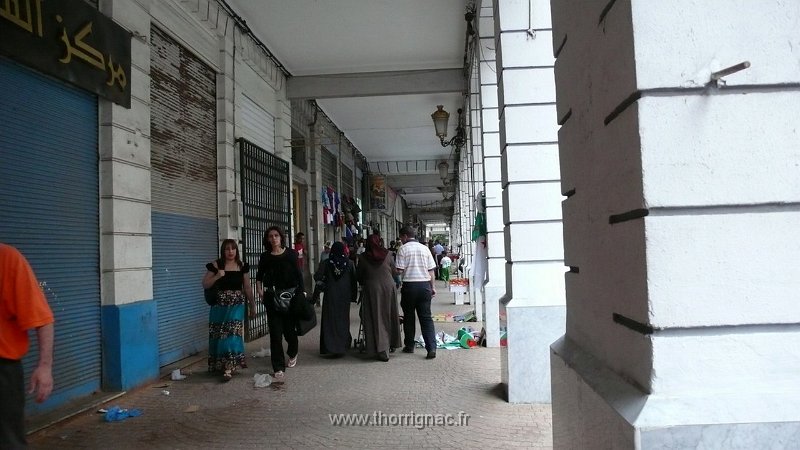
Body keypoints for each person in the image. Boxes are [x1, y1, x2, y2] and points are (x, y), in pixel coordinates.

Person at [0, 244, 55, 448]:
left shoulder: (7, 259)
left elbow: (42, 319)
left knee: (8, 442)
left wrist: (44, 366)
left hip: (3, 373)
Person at [256, 227, 306, 383]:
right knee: (275, 333)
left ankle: (292, 352)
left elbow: (299, 274)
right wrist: (260, 291)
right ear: (267, 239)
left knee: (289, 331)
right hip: (272, 297)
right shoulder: (265, 257)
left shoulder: (291, 254)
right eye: (270, 236)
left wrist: (302, 293)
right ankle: (278, 367)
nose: (274, 238)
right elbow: (259, 276)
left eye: (276, 235)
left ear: (281, 238)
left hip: (290, 297)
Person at [202, 239, 255, 382]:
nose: (230, 252)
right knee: (219, 335)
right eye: (227, 249)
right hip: (219, 307)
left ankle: (228, 367)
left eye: (233, 249)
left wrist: (252, 304)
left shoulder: (242, 266)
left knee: (231, 334)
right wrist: (217, 276)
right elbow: (205, 284)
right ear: (223, 251)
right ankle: (219, 364)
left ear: (237, 250)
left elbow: (247, 287)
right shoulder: (216, 265)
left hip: (237, 305)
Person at [356, 234, 402, 362]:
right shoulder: (388, 254)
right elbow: (394, 272)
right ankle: (389, 344)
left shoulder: (364, 257)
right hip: (388, 288)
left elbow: (359, 275)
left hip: (372, 289)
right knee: (389, 315)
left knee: (374, 317)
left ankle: (378, 348)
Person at [395, 226, 438, 360]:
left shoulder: (402, 249)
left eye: (401, 237)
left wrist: (392, 270)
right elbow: (431, 271)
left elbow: (399, 270)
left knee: (409, 317)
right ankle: (431, 348)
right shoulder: (425, 249)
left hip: (409, 287)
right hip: (425, 286)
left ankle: (409, 345)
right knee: (426, 318)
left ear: (405, 236)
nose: (400, 240)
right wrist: (433, 287)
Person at [314, 242, 357, 357]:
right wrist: (353, 297)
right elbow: (354, 281)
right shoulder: (349, 263)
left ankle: (330, 346)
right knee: (343, 320)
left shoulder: (327, 263)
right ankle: (342, 345)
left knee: (330, 320)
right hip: (344, 296)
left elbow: (317, 276)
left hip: (330, 295)